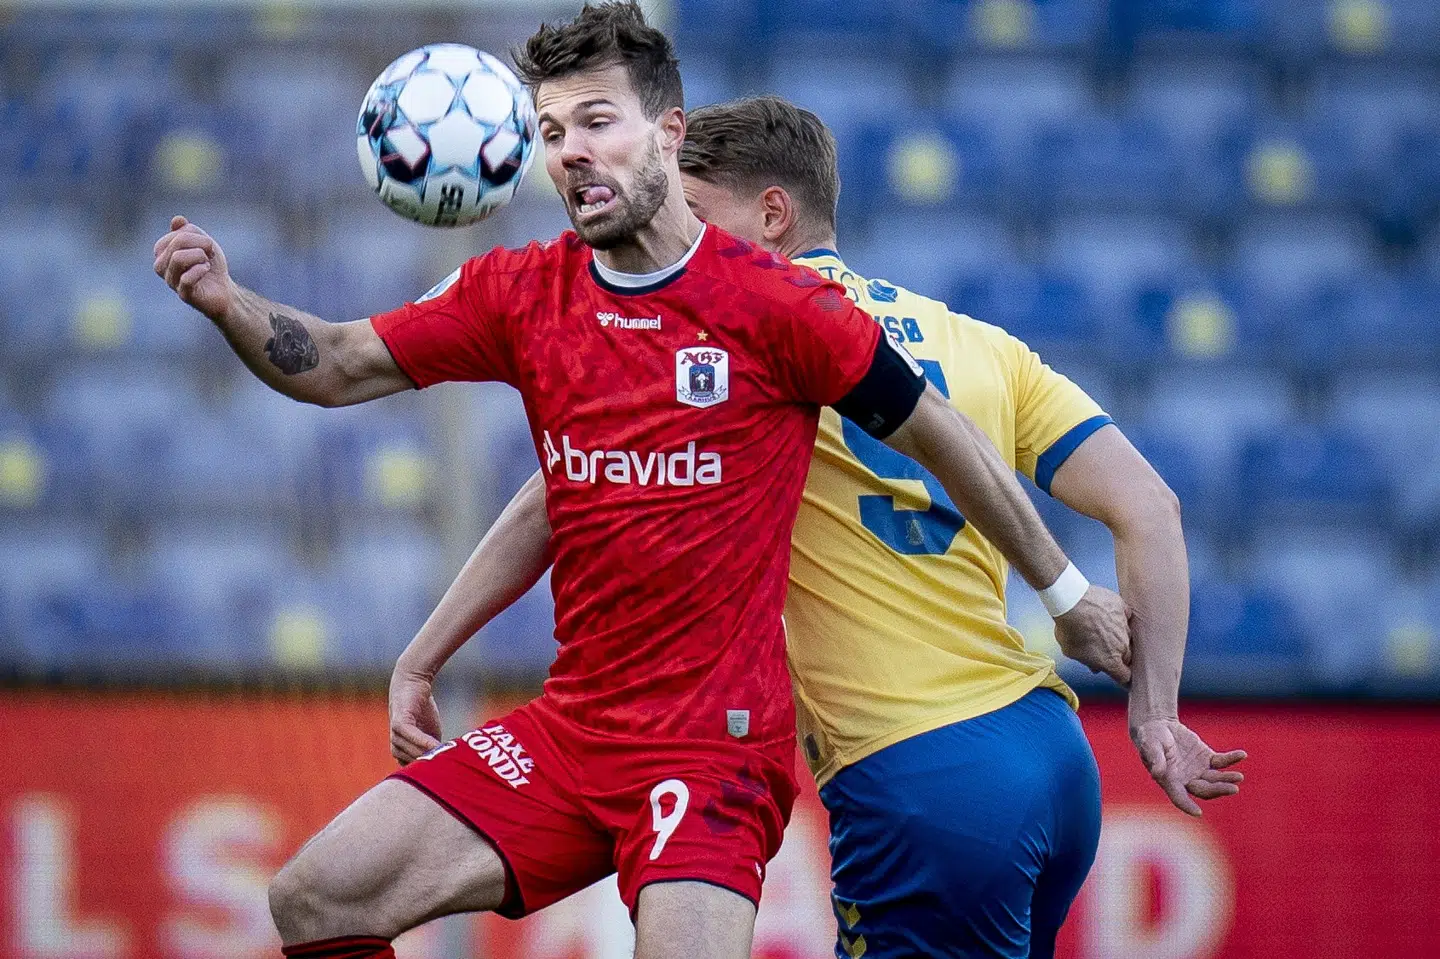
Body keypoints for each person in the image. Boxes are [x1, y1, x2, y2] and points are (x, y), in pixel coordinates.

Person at [153, 5, 1127, 957]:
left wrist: (1066, 592)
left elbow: (944, 435)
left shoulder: (778, 307)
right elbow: (333, 361)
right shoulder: (520, 291)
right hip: (574, 728)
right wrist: (228, 302)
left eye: (596, 121)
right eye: (549, 130)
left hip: (714, 750)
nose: (570, 149)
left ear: (666, 133)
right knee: (317, 896)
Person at [394, 96, 1248, 959]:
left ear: (772, 216)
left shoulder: (740, 334)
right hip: (1050, 755)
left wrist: (426, 650)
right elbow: (1150, 508)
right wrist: (1155, 712)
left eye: (696, 213)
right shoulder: (980, 344)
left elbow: (559, 494)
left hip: (921, 777)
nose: (676, 237)